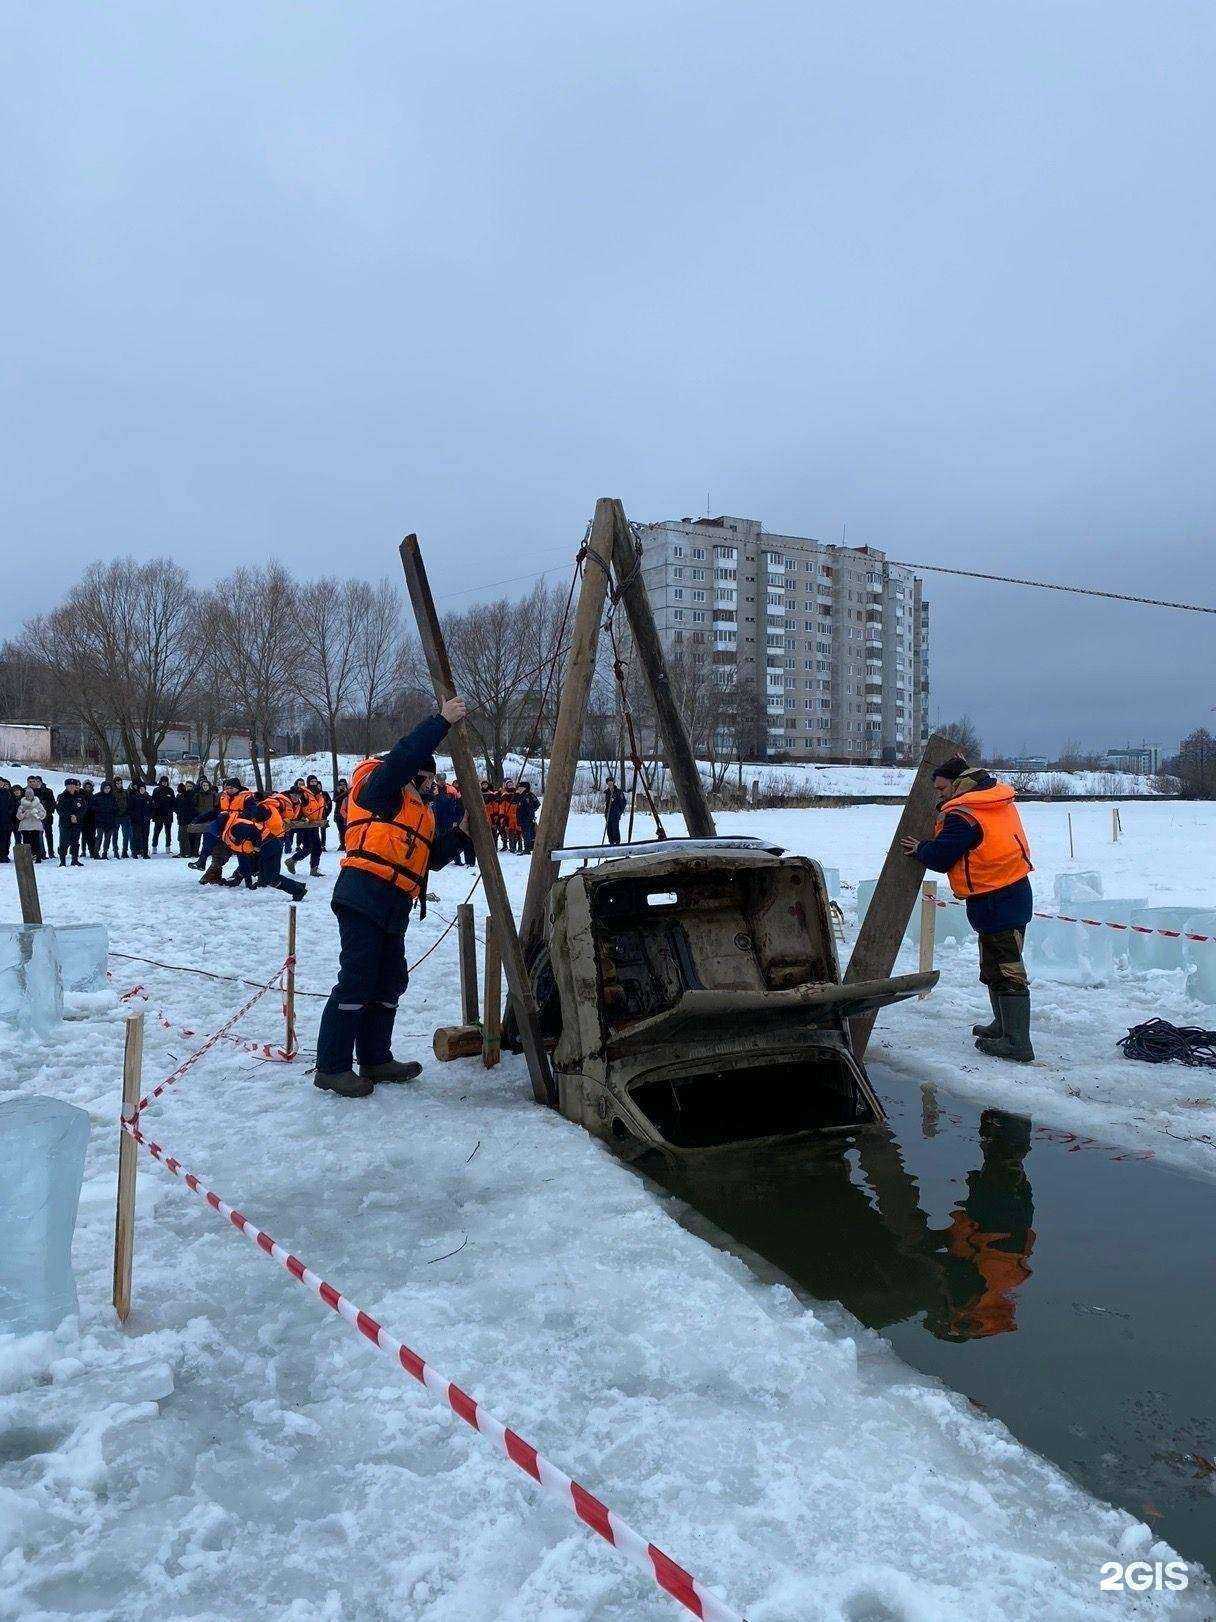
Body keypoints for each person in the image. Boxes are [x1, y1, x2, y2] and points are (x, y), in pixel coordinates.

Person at [315, 696, 468, 1099]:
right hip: (363, 893)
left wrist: (462, 834)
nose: (434, 788)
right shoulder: (382, 786)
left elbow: (429, 859)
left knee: (389, 981)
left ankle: (375, 1058)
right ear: (415, 773)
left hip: (395, 903)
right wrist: (441, 722)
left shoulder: (420, 810)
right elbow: (403, 756)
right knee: (357, 979)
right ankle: (331, 1067)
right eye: (430, 779)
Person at [902, 753, 1035, 1063]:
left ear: (959, 783)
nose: (939, 793)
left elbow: (940, 856)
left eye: (942, 787)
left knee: (1007, 968)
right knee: (994, 965)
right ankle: (1002, 1027)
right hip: (1004, 894)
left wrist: (921, 848)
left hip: (999, 898)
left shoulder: (965, 814)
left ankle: (1017, 1043)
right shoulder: (991, 800)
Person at [286, 776, 326, 877]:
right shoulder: (304, 793)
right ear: (308, 782)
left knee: (309, 847)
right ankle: (313, 869)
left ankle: (292, 861)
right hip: (305, 824)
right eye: (311, 781)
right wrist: (301, 817)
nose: (313, 783)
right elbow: (298, 805)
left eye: (315, 781)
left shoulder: (319, 794)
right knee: (315, 847)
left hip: (314, 824)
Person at [55, 779, 88, 867]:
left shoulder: (80, 797)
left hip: (76, 823)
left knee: (75, 842)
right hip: (65, 823)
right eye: (69, 785)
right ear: (66, 786)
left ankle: (75, 860)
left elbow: (83, 809)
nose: (72, 787)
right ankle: (62, 861)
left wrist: (76, 816)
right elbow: (59, 810)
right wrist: (70, 816)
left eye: (73, 785)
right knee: (63, 842)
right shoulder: (61, 797)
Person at [17, 788, 47, 860]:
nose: (29, 796)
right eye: (27, 795)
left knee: (36, 842)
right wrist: (25, 814)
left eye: (30, 794)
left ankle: (38, 857)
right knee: (26, 842)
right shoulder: (22, 805)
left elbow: (43, 813)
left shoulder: (38, 804)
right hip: (25, 827)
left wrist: (36, 814)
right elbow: (19, 816)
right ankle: (28, 856)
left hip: (36, 826)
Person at [94, 780, 120, 857]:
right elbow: (92, 807)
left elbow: (116, 808)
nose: (107, 790)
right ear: (102, 788)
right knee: (99, 837)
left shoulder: (113, 797)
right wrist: (98, 810)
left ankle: (105, 852)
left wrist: (114, 812)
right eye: (105, 788)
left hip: (110, 821)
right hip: (100, 821)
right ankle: (96, 852)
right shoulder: (97, 796)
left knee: (108, 837)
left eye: (109, 788)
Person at [150, 776, 175, 853]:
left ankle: (168, 847)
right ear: (160, 782)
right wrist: (155, 809)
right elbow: (153, 801)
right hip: (159, 814)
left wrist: (171, 809)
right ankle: (154, 847)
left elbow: (173, 801)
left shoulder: (170, 790)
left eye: (165, 781)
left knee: (168, 832)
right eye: (163, 781)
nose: (164, 783)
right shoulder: (156, 790)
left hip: (168, 814)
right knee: (156, 831)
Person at [127, 782, 152, 858]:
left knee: (145, 837)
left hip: (145, 821)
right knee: (136, 837)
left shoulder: (148, 797)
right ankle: (135, 852)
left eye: (143, 789)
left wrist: (149, 816)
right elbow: (130, 809)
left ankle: (145, 853)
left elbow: (152, 809)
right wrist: (133, 817)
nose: (142, 790)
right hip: (136, 821)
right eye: (140, 789)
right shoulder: (134, 797)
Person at [516, 779, 539, 854]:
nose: (518, 789)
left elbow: (536, 804)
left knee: (526, 834)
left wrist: (531, 812)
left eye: (520, 788)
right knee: (527, 833)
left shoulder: (527, 796)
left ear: (524, 788)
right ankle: (528, 848)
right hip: (524, 818)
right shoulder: (521, 796)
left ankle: (527, 849)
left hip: (525, 818)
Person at [79, 781, 99, 858]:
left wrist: (93, 808)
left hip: (92, 819)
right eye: (86, 787)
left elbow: (96, 807)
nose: (88, 788)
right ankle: (83, 851)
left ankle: (92, 851)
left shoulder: (93, 797)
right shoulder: (81, 796)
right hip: (83, 818)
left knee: (92, 836)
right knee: (84, 836)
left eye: (89, 787)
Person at [113, 779, 132, 857]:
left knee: (126, 834)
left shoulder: (125, 792)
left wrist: (128, 812)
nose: (119, 785)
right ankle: (115, 851)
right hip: (115, 816)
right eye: (117, 783)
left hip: (125, 816)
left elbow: (129, 802)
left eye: (120, 783)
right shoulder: (112, 793)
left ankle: (125, 851)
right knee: (115, 835)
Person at [604, 778, 626, 846]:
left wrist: (619, 811)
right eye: (608, 782)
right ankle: (611, 842)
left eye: (611, 782)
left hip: (615, 813)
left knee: (615, 828)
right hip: (608, 813)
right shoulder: (607, 792)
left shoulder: (618, 791)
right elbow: (606, 803)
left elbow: (623, 802)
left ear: (613, 782)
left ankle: (617, 842)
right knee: (609, 828)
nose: (610, 783)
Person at [0, 777, 14, 863]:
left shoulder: (7, 793)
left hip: (6, 820)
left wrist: (9, 813)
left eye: (1, 782)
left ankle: (4, 855)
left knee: (5, 839)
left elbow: (12, 805)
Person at [334, 777, 349, 849]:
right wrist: (339, 792)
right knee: (341, 830)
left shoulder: (348, 791)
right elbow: (335, 800)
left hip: (346, 812)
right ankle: (342, 844)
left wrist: (346, 791)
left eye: (344, 784)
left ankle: (347, 843)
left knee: (347, 829)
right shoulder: (337, 792)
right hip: (338, 813)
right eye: (341, 784)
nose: (342, 786)